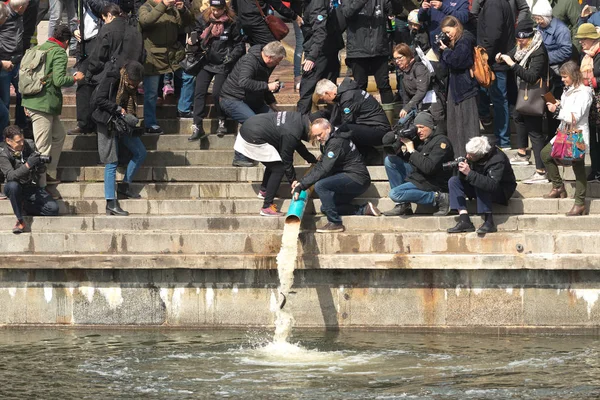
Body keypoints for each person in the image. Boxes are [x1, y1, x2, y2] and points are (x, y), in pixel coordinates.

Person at [22, 25, 85, 186]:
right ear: (65, 41)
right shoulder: (58, 52)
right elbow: (59, 80)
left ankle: (49, 172)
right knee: (43, 147)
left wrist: (25, 101)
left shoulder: (40, 47)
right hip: (44, 104)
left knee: (58, 135)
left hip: (34, 100)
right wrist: (75, 78)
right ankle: (41, 187)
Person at [291, 118, 379, 233]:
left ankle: (335, 223)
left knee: (321, 186)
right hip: (350, 177)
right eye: (315, 136)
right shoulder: (332, 136)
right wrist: (301, 182)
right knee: (326, 208)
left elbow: (324, 168)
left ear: (328, 128)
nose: (318, 138)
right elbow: (321, 164)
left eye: (319, 134)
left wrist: (302, 185)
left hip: (356, 178)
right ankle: (363, 209)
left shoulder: (336, 142)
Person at [496, 19, 549, 184]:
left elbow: (532, 77)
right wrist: (501, 58)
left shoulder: (538, 51)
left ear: (531, 37)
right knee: (517, 116)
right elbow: (512, 54)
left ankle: (541, 171)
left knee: (535, 132)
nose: (520, 43)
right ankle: (522, 153)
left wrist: (511, 64)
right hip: (523, 94)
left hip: (535, 95)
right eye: (518, 40)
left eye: (523, 40)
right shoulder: (522, 48)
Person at [234, 111, 318, 216]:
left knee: (273, 160)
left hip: (252, 127)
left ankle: (265, 190)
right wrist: (293, 180)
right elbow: (286, 159)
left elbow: (297, 144)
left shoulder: (298, 119)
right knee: (279, 168)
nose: (317, 138)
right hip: (252, 137)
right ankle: (266, 207)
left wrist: (312, 159)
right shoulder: (291, 132)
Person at [92, 61, 148, 216]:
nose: (134, 86)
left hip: (121, 123)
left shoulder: (131, 85)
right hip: (107, 122)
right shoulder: (112, 78)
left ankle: (125, 186)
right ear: (126, 76)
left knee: (140, 152)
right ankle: (110, 202)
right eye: (133, 82)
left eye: (137, 83)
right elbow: (99, 99)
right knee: (111, 162)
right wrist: (117, 109)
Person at [219, 41, 286, 167]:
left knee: (275, 120)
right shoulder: (249, 61)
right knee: (252, 121)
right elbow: (244, 82)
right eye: (278, 60)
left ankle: (274, 154)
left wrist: (271, 103)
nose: (278, 63)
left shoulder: (267, 64)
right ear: (269, 57)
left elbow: (262, 84)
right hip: (232, 98)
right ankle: (240, 157)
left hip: (253, 100)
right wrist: (267, 86)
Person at [187, 0, 244, 141]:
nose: (216, 12)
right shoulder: (203, 19)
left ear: (224, 9)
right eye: (214, 9)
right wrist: (192, 42)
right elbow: (197, 35)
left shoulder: (232, 22)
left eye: (219, 10)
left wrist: (230, 57)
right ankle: (197, 125)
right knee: (199, 91)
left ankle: (221, 119)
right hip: (206, 61)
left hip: (223, 63)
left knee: (218, 92)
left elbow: (239, 44)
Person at [541, 61, 593, 216]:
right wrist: (558, 104)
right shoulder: (568, 90)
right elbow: (567, 109)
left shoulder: (584, 93)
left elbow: (575, 116)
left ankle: (580, 203)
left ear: (574, 75)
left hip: (577, 135)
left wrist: (556, 111)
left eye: (565, 77)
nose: (562, 79)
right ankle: (558, 187)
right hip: (563, 132)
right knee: (545, 154)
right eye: (562, 77)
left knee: (578, 167)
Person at [382, 112, 454, 216]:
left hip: (433, 181)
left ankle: (438, 198)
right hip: (419, 176)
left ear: (431, 126)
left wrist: (412, 150)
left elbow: (429, 168)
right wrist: (399, 152)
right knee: (390, 160)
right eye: (417, 128)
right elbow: (411, 160)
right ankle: (403, 206)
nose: (419, 131)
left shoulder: (442, 142)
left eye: (422, 127)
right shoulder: (420, 139)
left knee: (395, 194)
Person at [139, 0, 194, 134]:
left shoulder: (173, 9)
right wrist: (163, 5)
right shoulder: (145, 7)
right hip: (153, 57)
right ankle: (150, 123)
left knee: (189, 76)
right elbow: (145, 21)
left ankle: (184, 108)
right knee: (151, 93)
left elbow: (187, 23)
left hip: (173, 55)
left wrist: (182, 10)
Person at [447, 136, 517, 234]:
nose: (467, 156)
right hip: (479, 185)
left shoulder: (497, 159)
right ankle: (464, 220)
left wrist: (470, 173)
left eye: (470, 155)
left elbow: (492, 184)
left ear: (480, 155)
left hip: (502, 190)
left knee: (482, 182)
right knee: (454, 181)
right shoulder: (472, 154)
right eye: (467, 153)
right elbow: (466, 177)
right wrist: (461, 170)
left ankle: (489, 221)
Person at [313, 78, 390, 161]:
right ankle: (370, 156)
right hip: (369, 127)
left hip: (380, 130)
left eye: (323, 98)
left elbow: (347, 121)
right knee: (342, 130)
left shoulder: (347, 97)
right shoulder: (344, 94)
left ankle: (371, 157)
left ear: (327, 93)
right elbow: (335, 119)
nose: (325, 101)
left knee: (345, 130)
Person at [0, 125, 59, 234]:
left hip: (30, 184)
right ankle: (20, 219)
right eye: (18, 142)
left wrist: (40, 166)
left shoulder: (29, 144)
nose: (22, 143)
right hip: (13, 186)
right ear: (8, 141)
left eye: (22, 140)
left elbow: (39, 168)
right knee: (13, 186)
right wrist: (28, 165)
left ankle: (25, 205)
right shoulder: (2, 152)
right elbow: (10, 176)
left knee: (53, 209)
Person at [476, 0, 515, 150]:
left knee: (499, 101)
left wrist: (484, 57)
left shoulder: (493, 3)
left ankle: (503, 140)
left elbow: (493, 34)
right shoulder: (499, 2)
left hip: (494, 61)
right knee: (499, 101)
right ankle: (502, 138)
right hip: (497, 60)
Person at [438, 16, 478, 155]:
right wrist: (443, 49)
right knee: (455, 126)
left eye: (449, 32)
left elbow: (458, 61)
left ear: (456, 26)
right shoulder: (453, 41)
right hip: (453, 89)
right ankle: (458, 156)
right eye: (445, 33)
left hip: (465, 88)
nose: (448, 35)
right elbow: (444, 67)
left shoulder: (465, 39)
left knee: (468, 126)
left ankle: (472, 156)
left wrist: (447, 51)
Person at [341, 0, 394, 104]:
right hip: (358, 50)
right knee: (360, 87)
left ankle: (389, 118)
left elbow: (394, 10)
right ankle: (362, 117)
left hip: (379, 49)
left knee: (384, 85)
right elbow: (347, 12)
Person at [532, 0, 572, 137]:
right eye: (535, 18)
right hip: (543, 75)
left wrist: (544, 58)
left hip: (555, 76)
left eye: (539, 18)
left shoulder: (561, 30)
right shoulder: (539, 28)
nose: (537, 22)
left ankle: (554, 138)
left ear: (547, 17)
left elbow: (566, 50)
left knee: (553, 110)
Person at [296, 0, 344, 114]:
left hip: (319, 52)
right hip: (331, 47)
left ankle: (301, 122)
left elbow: (320, 32)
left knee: (307, 90)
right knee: (330, 88)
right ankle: (333, 120)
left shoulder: (316, 4)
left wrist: (312, 56)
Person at [393, 43, 445, 133]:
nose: (397, 61)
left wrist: (408, 107)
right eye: (395, 59)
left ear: (408, 56)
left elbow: (422, 90)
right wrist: (405, 111)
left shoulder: (419, 68)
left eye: (400, 57)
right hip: (419, 106)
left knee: (438, 130)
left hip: (432, 104)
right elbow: (406, 97)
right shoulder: (403, 73)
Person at [0, 0, 30, 135]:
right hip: (4, 62)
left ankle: (21, 125)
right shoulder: (4, 14)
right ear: (20, 7)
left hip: (18, 61)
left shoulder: (21, 14)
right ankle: (6, 131)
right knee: (5, 99)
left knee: (23, 94)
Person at [575, 23, 600, 182]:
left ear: (592, 38)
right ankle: (595, 169)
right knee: (593, 137)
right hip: (590, 101)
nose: (580, 42)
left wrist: (590, 82)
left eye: (583, 39)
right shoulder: (585, 55)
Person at [230, 0, 302, 45]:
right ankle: (251, 68)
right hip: (257, 22)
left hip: (243, 22)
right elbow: (277, 5)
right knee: (273, 49)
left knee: (258, 49)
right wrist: (295, 16)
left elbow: (233, 6)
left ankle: (254, 67)